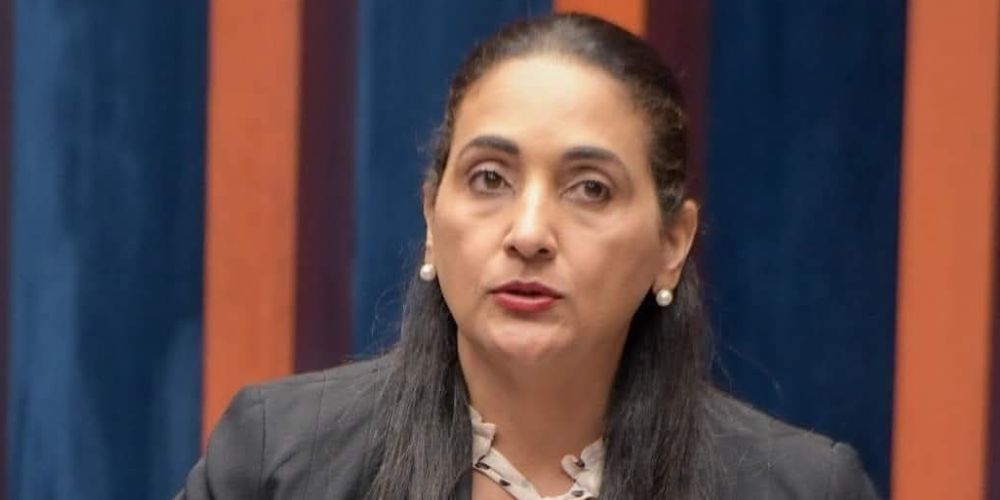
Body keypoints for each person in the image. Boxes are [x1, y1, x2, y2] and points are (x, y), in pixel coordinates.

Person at [176, 13, 880, 500]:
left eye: (590, 188)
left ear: (673, 244)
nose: (529, 232)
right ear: (432, 215)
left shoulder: (800, 487)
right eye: (490, 179)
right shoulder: (277, 461)